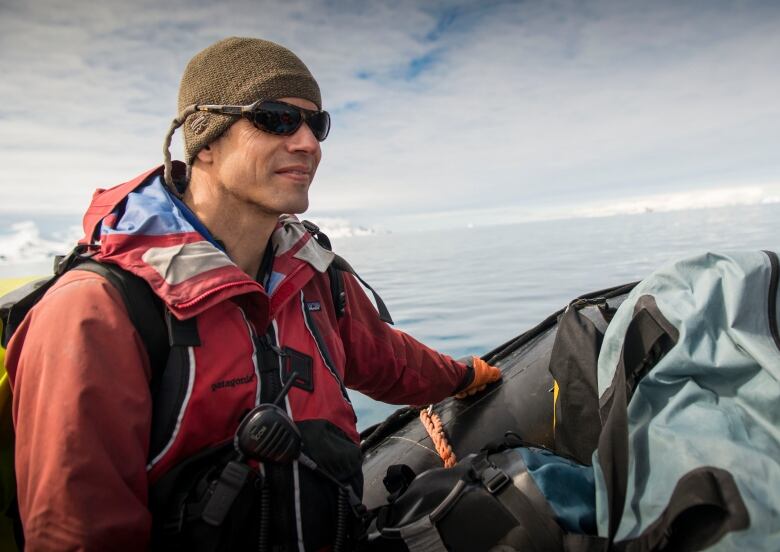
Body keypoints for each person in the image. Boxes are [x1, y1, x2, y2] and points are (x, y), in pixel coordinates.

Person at [5, 37, 501, 551]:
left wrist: (464, 375)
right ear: (206, 139)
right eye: (277, 118)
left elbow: (387, 359)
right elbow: (77, 535)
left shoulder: (312, 274)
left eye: (317, 124)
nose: (309, 143)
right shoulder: (98, 311)